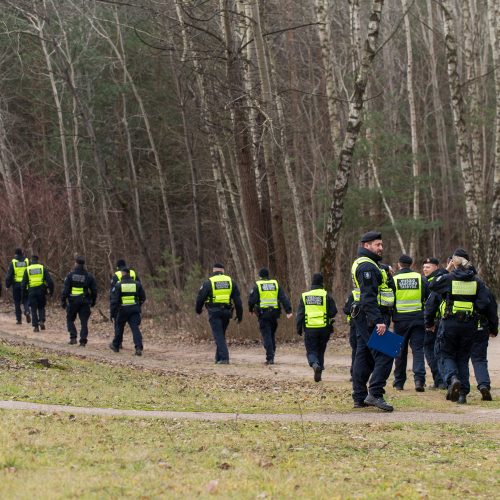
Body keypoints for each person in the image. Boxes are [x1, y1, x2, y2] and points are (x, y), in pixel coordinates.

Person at [427, 249, 495, 404]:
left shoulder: (448, 278)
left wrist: (446, 269)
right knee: (463, 358)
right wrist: (472, 309)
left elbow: (432, 285)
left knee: (446, 354)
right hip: (469, 324)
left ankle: (452, 378)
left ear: (454, 263)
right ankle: (463, 394)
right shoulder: (476, 281)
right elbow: (485, 303)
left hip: (450, 323)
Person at [350, 231, 395, 411]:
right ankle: (375, 393)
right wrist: (378, 320)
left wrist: (384, 268)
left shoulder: (368, 264)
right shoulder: (367, 268)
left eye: (381, 245)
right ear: (366, 245)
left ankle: (359, 396)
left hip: (363, 316)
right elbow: (369, 297)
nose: (381, 248)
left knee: (364, 355)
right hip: (371, 316)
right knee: (388, 351)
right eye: (377, 245)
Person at [392, 254, 429, 392]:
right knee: (418, 350)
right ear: (411, 265)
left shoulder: (394, 280)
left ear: (399, 264)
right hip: (418, 320)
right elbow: (428, 298)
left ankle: (399, 382)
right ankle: (419, 381)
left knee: (400, 352)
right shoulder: (421, 279)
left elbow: (389, 300)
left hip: (400, 321)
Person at [195, 263, 243, 364]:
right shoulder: (231, 282)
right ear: (223, 271)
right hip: (227, 312)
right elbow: (238, 301)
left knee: (218, 335)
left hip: (214, 312)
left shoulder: (209, 282)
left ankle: (225, 358)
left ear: (213, 271)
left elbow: (200, 298)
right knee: (221, 334)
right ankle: (218, 358)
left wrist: (198, 310)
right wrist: (239, 315)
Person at [296, 272, 337, 382]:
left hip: (310, 329)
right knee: (321, 350)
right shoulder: (326, 295)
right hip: (324, 328)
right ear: (322, 283)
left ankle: (315, 364)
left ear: (312, 283)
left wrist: (298, 328)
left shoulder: (305, 296)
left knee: (311, 351)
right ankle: (319, 369)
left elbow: (300, 314)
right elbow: (333, 312)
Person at [248, 267, 292, 364]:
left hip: (263, 314)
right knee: (271, 334)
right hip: (274, 314)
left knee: (267, 335)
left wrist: (250, 309)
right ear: (268, 275)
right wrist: (288, 311)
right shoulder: (275, 284)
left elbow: (252, 300)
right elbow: (283, 298)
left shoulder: (258, 285)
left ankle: (270, 357)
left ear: (260, 276)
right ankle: (272, 351)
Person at [422, 257, 447, 389]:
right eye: (424, 267)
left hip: (434, 323)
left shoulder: (436, 281)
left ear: (436, 267)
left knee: (432, 352)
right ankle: (441, 380)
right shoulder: (432, 279)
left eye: (428, 267)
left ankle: (440, 380)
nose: (425, 269)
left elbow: (431, 305)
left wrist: (428, 323)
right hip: (435, 321)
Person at [61, 256, 98, 346]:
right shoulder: (89, 276)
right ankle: (83, 341)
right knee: (84, 322)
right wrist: (93, 301)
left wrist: (63, 300)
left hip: (73, 301)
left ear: (76, 264)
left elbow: (65, 289)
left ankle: (73, 337)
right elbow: (94, 290)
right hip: (85, 301)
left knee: (70, 319)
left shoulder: (70, 275)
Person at [109, 267, 146, 356]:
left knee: (119, 327)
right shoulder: (137, 284)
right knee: (135, 328)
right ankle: (138, 348)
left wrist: (112, 313)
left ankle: (116, 345)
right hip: (134, 310)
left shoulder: (118, 285)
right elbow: (143, 297)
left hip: (123, 310)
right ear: (129, 274)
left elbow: (114, 301)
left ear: (122, 274)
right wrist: (138, 305)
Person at [470, 287, 498, 401]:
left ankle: (458, 386)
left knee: (459, 359)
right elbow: (492, 310)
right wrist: (493, 329)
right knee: (479, 359)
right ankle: (483, 385)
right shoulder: (484, 289)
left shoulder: (454, 285)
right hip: (480, 327)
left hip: (458, 328)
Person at [21, 255, 54, 332]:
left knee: (33, 309)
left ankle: (35, 326)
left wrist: (24, 294)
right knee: (41, 307)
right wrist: (51, 291)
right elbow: (50, 281)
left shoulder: (27, 269)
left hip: (31, 291)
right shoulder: (42, 268)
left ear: (31, 260)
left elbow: (23, 284)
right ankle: (41, 321)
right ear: (37, 260)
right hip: (41, 290)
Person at [5, 248, 31, 324]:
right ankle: (27, 311)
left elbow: (9, 275)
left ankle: (19, 320)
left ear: (15, 254)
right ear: (22, 253)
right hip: (25, 284)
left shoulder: (13, 262)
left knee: (17, 302)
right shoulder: (27, 261)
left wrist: (7, 285)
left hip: (16, 285)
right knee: (25, 299)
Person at [342, 290, 356, 381]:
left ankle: (354, 374)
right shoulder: (374, 291)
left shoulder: (353, 294)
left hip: (355, 325)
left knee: (356, 350)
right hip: (373, 326)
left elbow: (346, 310)